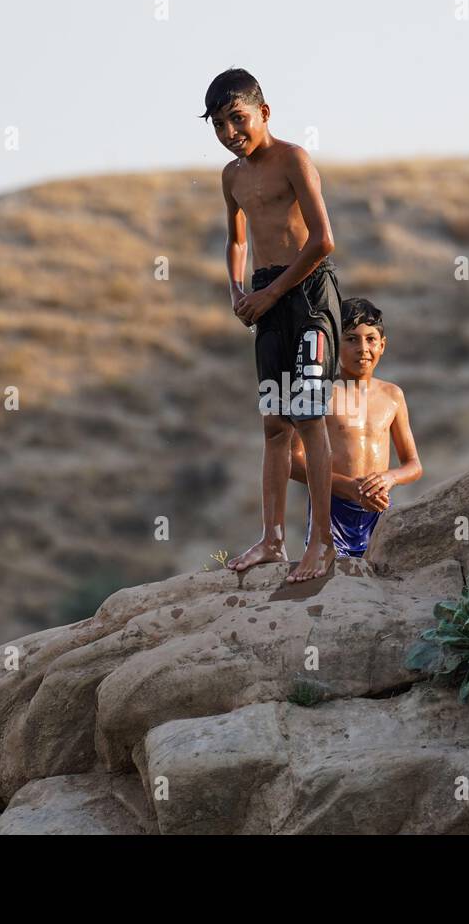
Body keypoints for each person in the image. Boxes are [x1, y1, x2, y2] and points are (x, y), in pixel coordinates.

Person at [202, 67, 341, 583]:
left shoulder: (293, 159)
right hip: (264, 295)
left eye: (237, 119)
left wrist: (270, 293)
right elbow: (236, 238)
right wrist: (237, 290)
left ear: (264, 112)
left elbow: (324, 239)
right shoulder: (231, 177)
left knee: (308, 418)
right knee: (274, 424)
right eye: (218, 125)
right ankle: (272, 539)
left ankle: (323, 543)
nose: (230, 133)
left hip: (305, 292)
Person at [290, 298, 423, 558]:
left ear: (382, 346)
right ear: (334, 346)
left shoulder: (393, 395)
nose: (363, 348)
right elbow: (292, 461)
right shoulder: (319, 392)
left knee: (383, 582)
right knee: (334, 584)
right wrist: (350, 488)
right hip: (331, 508)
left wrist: (389, 478)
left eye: (371, 339)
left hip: (379, 508)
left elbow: (413, 465)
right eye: (351, 340)